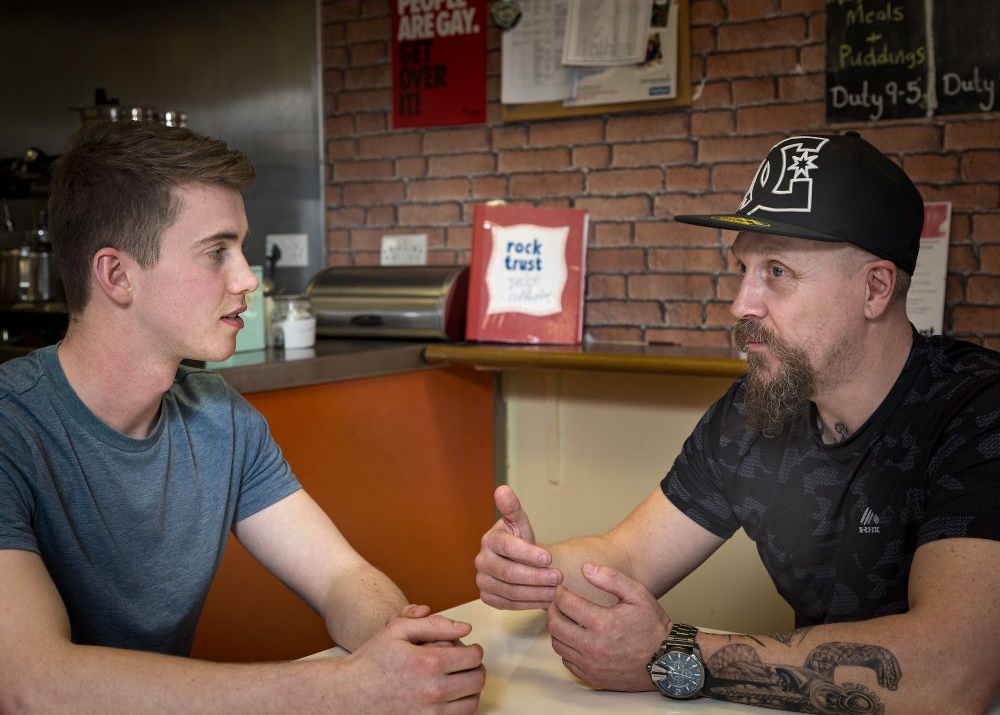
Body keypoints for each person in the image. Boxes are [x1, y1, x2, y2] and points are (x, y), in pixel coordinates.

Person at [476, 132, 1000, 714]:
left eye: (776, 270)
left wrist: (675, 655)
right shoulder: (758, 408)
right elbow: (629, 556)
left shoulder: (978, 412)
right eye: (743, 268)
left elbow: (954, 671)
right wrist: (535, 571)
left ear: (874, 289)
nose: (741, 303)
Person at [0, 120, 484, 713]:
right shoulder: (10, 430)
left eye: (241, 249)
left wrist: (402, 643)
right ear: (117, 275)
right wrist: (345, 689)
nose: (247, 278)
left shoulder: (219, 416)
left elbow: (339, 577)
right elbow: (29, 682)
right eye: (216, 252)